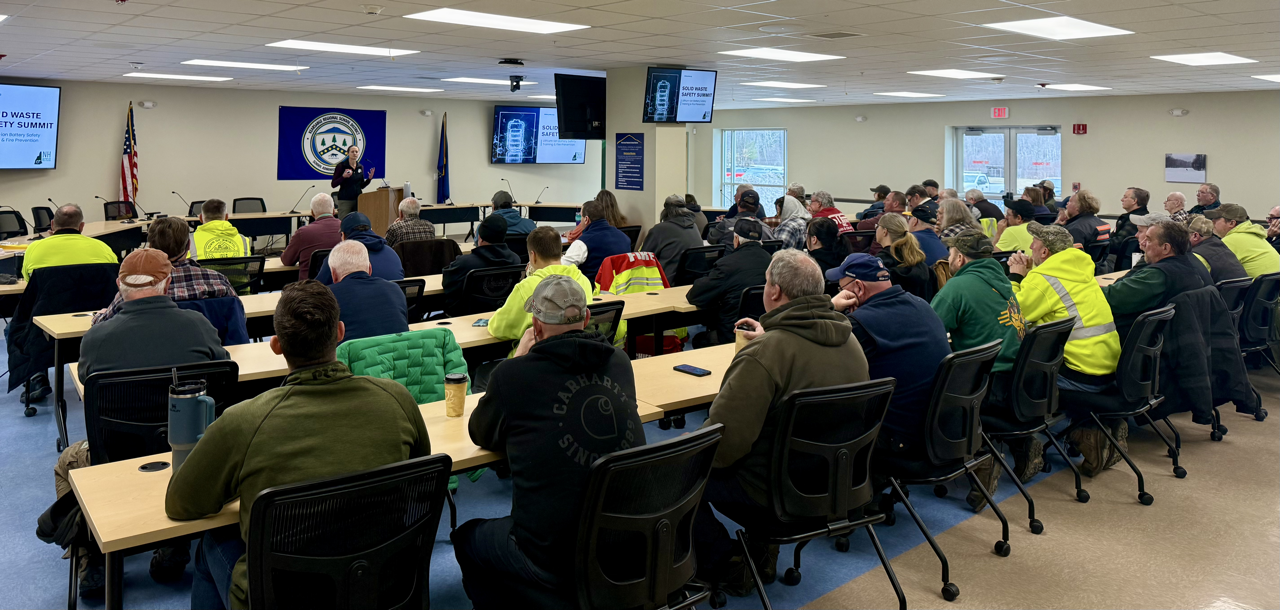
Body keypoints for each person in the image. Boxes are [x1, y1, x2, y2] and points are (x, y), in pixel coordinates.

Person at [166, 280, 430, 610]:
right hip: (382, 582)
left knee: (211, 544)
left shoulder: (243, 421)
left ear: (276, 345)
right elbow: (420, 474)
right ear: (340, 332)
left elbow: (181, 503)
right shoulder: (397, 399)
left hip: (284, 598)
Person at [455, 276, 643, 608]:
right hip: (624, 542)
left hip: (550, 554)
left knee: (468, 538)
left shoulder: (514, 376)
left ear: (536, 326)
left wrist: (517, 358)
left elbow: (481, 433)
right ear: (587, 318)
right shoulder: (619, 362)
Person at [695, 250, 869, 593]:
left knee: (676, 472)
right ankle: (762, 551)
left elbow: (724, 445)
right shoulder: (851, 342)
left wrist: (687, 453)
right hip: (837, 486)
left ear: (774, 291)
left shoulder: (766, 354)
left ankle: (728, 565)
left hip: (773, 497)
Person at [67, 249, 229, 590]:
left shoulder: (97, 337)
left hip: (117, 455)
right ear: (167, 284)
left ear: (119, 286)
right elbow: (221, 370)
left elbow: (85, 379)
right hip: (192, 452)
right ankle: (173, 546)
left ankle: (92, 555)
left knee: (67, 461)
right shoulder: (198, 326)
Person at [1007, 223, 1122, 477]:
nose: (1030, 247)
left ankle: (1028, 440)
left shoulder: (1043, 279)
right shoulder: (1080, 269)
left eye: (1034, 243)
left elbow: (1014, 318)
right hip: (1108, 370)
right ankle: (1097, 429)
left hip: (1079, 377)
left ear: (1045, 252)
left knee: (1011, 377)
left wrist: (1016, 278)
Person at [827, 253, 950, 482]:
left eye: (841, 288)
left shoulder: (861, 324)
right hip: (940, 430)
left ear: (858, 288)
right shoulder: (922, 305)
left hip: (899, 438)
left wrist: (831, 308)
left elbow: (821, 361)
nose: (839, 292)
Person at [932, 230, 1029, 500]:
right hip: (1016, 379)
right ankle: (1020, 443)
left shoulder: (957, 287)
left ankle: (980, 457)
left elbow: (928, 330)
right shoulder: (1003, 280)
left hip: (985, 385)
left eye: (950, 253)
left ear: (960, 258)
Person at [92, 218, 236, 325]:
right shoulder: (217, 281)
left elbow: (101, 324)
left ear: (150, 246)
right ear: (188, 246)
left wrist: (100, 314)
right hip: (212, 353)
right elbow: (237, 314)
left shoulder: (136, 288)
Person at [489, 227, 594, 356]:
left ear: (533, 256)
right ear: (560, 252)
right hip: (578, 353)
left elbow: (498, 328)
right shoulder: (582, 280)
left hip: (537, 356)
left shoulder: (526, 287)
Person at [1103, 220, 1211, 338]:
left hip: (1131, 338)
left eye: (1149, 240)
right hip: (1172, 338)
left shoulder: (1158, 275)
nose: (1143, 243)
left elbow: (1111, 297)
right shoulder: (1188, 267)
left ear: (1165, 248)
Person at [688, 218, 772, 346]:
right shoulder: (772, 262)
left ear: (736, 239)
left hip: (732, 335)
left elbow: (695, 296)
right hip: (764, 333)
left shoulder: (727, 265)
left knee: (699, 339)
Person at [326, 240, 408, 343]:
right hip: (398, 352)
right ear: (370, 269)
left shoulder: (327, 297)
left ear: (333, 274)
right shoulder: (395, 289)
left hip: (352, 354)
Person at [442, 215, 522, 313]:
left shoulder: (464, 263)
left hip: (467, 316)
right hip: (502, 314)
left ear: (480, 238)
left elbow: (447, 284)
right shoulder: (515, 260)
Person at [21, 204, 118, 281]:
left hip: (48, 300)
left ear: (52, 224)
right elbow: (115, 276)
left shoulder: (34, 248)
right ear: (81, 226)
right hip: (94, 300)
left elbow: (28, 281)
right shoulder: (102, 247)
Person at [314, 211, 404, 285]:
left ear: (343, 235)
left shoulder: (336, 258)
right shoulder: (392, 253)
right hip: (395, 301)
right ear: (371, 230)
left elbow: (317, 289)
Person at [562, 199, 632, 282]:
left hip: (592, 288)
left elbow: (562, 268)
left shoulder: (582, 243)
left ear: (586, 219)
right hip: (618, 287)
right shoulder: (625, 238)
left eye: (581, 216)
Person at [280, 193, 342, 281]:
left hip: (310, 287)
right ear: (333, 210)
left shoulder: (303, 233)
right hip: (339, 284)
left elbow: (287, 261)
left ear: (312, 213)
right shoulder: (346, 228)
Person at [1208, 204, 1280, 279]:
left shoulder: (1231, 241)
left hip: (1256, 285)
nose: (1212, 221)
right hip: (1272, 285)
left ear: (1232, 223)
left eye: (1217, 219)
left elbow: (1207, 266)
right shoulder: (1256, 236)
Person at [873, 213, 933, 300]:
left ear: (884, 231)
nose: (876, 229)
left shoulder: (879, 264)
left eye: (877, 226)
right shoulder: (922, 265)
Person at [640, 194, 703, 275]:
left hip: (667, 279)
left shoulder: (659, 229)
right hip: (693, 279)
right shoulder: (694, 226)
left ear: (665, 211)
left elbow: (643, 257)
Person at [1187, 215, 1248, 283]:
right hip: (1243, 288)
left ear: (1195, 236)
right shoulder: (1221, 246)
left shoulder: (1197, 256)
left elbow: (1192, 283)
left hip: (1221, 289)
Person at [709, 190, 775, 250]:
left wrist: (716, 225)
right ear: (758, 207)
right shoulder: (766, 229)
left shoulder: (725, 225)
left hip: (730, 259)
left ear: (738, 203)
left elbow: (711, 239)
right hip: (758, 259)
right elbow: (774, 247)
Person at [330, 144, 375, 218]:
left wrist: (369, 179)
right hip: (345, 200)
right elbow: (333, 184)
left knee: (357, 221)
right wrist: (343, 177)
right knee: (344, 221)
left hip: (358, 199)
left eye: (356, 152)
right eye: (352, 152)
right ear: (348, 153)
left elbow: (361, 186)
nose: (354, 153)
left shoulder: (360, 167)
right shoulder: (341, 166)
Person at [1110, 187, 1150, 256]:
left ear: (1134, 201)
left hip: (1118, 257)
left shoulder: (1135, 220)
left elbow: (1117, 244)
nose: (1122, 200)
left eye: (1125, 197)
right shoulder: (1144, 217)